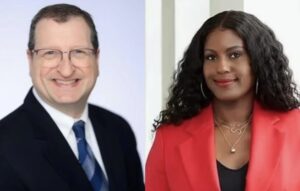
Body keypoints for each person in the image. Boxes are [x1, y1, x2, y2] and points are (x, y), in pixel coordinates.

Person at [146, 10, 300, 191]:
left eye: (234, 55)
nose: (222, 67)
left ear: (257, 60)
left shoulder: (295, 128)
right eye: (211, 57)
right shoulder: (169, 138)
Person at [0, 4, 144, 191]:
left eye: (79, 52)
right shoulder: (4, 146)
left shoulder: (118, 130)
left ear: (97, 59)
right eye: (50, 53)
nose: (66, 70)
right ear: (30, 60)